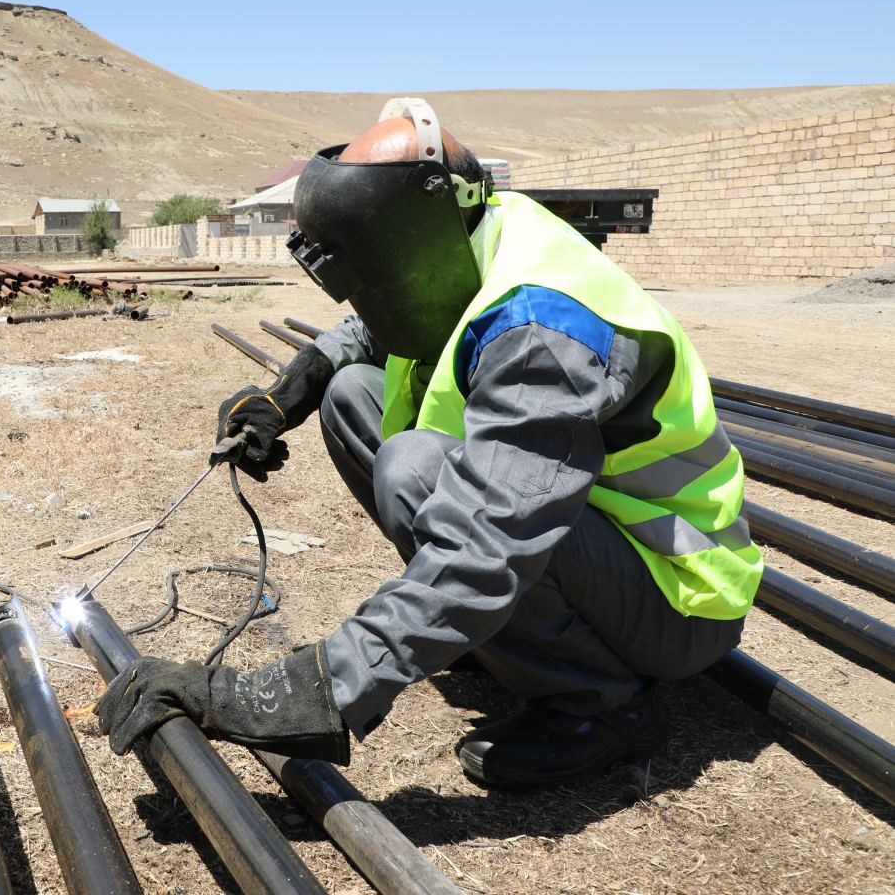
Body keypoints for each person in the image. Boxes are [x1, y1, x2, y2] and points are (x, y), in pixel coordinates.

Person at [97, 98, 761, 790]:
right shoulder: (480, 235)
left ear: (415, 240)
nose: (368, 299)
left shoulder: (545, 330)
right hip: (592, 547)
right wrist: (289, 392)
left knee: (415, 467)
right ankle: (508, 633)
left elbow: (489, 540)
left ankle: (600, 704)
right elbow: (383, 325)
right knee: (354, 393)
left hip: (677, 597)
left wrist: (299, 694)